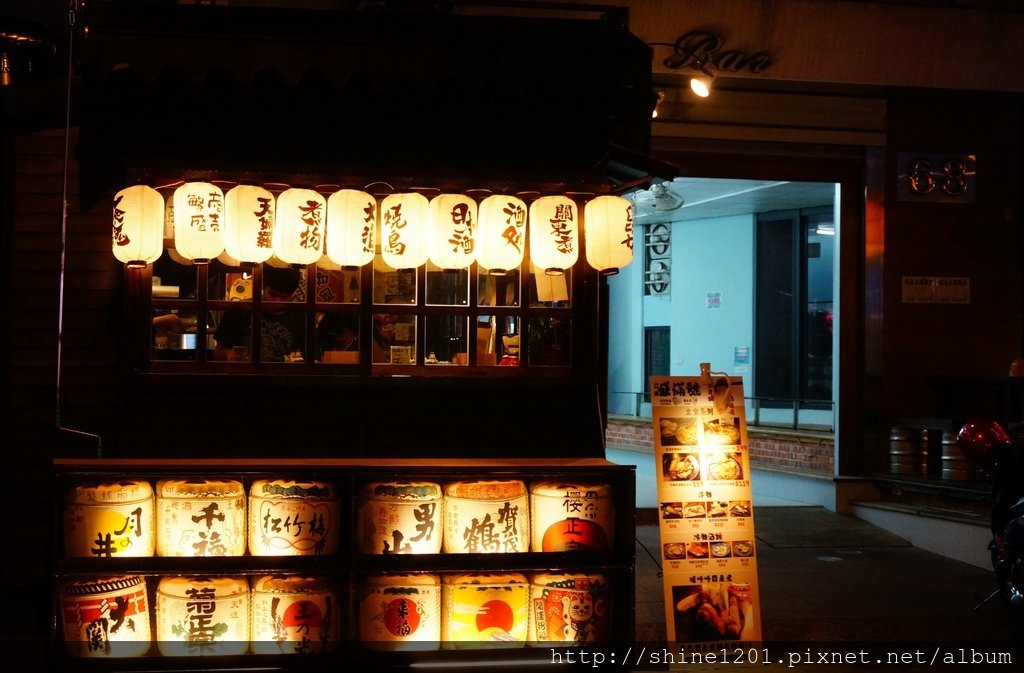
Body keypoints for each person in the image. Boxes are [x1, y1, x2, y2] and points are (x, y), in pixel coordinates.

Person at [213, 265, 305, 362]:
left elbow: (313, 358)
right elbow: (219, 352)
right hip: (245, 374)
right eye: (272, 294)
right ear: (263, 287)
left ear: (293, 293)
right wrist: (230, 359)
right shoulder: (239, 310)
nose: (277, 301)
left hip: (284, 376)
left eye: (284, 297)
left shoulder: (301, 317)